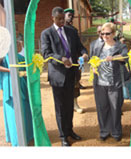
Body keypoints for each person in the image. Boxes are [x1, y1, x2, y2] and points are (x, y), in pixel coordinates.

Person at [41, 7, 87, 146]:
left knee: (69, 105)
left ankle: (70, 131)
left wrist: (84, 54)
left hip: (72, 74)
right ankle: (63, 136)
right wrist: (61, 58)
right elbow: (46, 53)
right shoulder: (46, 33)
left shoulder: (71, 31)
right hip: (58, 76)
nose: (62, 21)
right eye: (59, 19)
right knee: (60, 107)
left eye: (63, 18)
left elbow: (80, 47)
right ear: (52, 18)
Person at [0, 3, 33, 146]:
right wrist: (13, 71)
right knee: (14, 108)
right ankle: (16, 137)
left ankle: (28, 134)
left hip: (23, 79)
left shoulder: (17, 41)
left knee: (25, 106)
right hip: (11, 80)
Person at [91, 22, 129, 141]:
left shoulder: (120, 46)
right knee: (102, 108)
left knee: (115, 108)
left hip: (114, 83)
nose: (105, 36)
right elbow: (93, 59)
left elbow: (125, 58)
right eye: (103, 33)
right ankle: (104, 131)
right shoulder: (98, 46)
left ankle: (116, 131)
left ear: (113, 33)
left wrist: (114, 57)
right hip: (100, 83)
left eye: (108, 33)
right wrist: (93, 66)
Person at [64, 8, 88, 114]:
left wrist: (84, 53)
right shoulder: (56, 31)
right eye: (69, 15)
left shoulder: (73, 30)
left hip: (73, 63)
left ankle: (75, 104)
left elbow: (79, 46)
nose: (71, 17)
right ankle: (67, 106)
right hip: (61, 64)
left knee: (75, 84)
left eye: (72, 15)